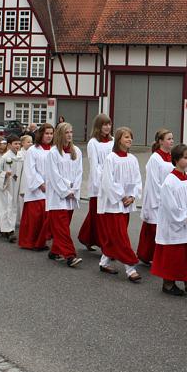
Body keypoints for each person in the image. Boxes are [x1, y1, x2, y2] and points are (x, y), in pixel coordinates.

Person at [151, 143, 187, 296]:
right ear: (176, 159)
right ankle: (168, 284)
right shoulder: (169, 182)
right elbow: (170, 206)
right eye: (185, 157)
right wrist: (186, 216)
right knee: (174, 256)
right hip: (175, 225)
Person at [97, 126, 143, 283]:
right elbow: (108, 181)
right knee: (121, 237)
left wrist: (133, 196)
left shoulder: (133, 159)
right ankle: (130, 268)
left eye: (130, 137)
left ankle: (104, 262)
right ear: (118, 140)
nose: (129, 139)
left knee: (115, 236)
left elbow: (137, 180)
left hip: (126, 204)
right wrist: (122, 196)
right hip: (113, 204)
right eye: (126, 137)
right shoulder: (111, 158)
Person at [45, 122, 84, 267]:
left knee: (63, 226)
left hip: (71, 195)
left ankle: (55, 251)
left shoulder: (76, 151)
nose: (69, 135)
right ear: (60, 134)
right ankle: (70, 256)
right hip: (58, 196)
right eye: (66, 132)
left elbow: (79, 172)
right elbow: (53, 175)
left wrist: (75, 189)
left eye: (71, 132)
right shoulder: (53, 153)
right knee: (62, 228)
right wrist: (66, 191)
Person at [138, 128, 175, 265]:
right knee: (154, 229)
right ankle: (148, 255)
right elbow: (154, 182)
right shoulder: (155, 158)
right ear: (160, 141)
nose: (172, 141)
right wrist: (163, 199)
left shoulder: (171, 157)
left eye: (172, 138)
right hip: (157, 199)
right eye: (169, 139)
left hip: (169, 196)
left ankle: (154, 256)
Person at [78, 114, 114, 251]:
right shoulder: (93, 143)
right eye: (104, 124)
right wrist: (102, 183)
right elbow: (94, 165)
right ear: (98, 126)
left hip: (111, 182)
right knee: (98, 215)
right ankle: (104, 244)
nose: (107, 127)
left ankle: (86, 237)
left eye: (109, 124)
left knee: (98, 215)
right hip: (98, 184)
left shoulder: (113, 141)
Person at [19, 124, 54, 250]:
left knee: (46, 217)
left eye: (51, 133)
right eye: (46, 133)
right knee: (35, 217)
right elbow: (30, 169)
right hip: (36, 189)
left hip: (51, 188)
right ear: (41, 134)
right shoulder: (33, 150)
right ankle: (30, 242)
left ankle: (41, 242)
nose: (49, 136)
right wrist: (40, 184)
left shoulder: (54, 150)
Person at [0, 135, 24, 239]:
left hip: (16, 185)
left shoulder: (20, 157)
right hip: (6, 186)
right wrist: (4, 174)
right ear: (9, 145)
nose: (18, 146)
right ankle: (9, 231)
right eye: (15, 144)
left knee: (13, 207)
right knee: (7, 207)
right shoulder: (5, 157)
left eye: (19, 144)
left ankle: (2, 226)